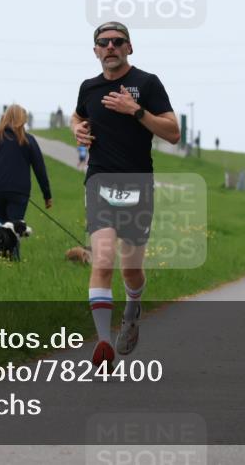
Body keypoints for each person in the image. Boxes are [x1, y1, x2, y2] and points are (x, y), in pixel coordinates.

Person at [71, 21, 180, 369]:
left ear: (129, 48)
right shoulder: (89, 87)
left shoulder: (147, 83)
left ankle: (134, 303)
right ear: (96, 51)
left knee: (130, 270)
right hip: (100, 182)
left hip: (137, 184)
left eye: (118, 42)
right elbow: (78, 113)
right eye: (104, 42)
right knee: (102, 260)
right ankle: (103, 344)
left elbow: (173, 132)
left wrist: (136, 111)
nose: (111, 47)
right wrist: (77, 127)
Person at [0, 104, 52, 224]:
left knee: (0, 220)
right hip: (19, 191)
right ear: (22, 119)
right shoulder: (28, 140)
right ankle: (9, 243)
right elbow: (39, 169)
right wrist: (47, 195)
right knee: (15, 227)